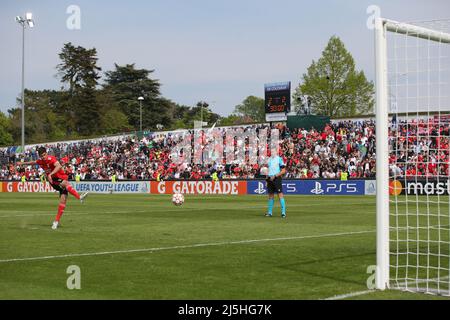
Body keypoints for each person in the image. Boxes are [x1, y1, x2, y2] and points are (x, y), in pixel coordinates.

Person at [17, 146, 88, 230]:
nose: (43, 157)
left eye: (44, 155)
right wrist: (23, 163)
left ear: (46, 153)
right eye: (41, 155)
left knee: (63, 201)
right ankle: (79, 197)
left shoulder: (51, 159)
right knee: (66, 184)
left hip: (59, 177)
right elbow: (33, 162)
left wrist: (50, 174)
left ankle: (56, 222)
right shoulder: (41, 161)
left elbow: (59, 166)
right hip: (54, 180)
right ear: (40, 156)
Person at [265, 151, 287, 218]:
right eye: (271, 152)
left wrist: (275, 176)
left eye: (273, 152)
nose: (272, 153)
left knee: (280, 194)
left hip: (276, 178)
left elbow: (283, 170)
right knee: (270, 196)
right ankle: (270, 212)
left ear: (276, 152)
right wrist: (266, 180)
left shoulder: (279, 159)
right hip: (270, 179)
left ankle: (283, 212)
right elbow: (268, 170)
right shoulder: (269, 159)